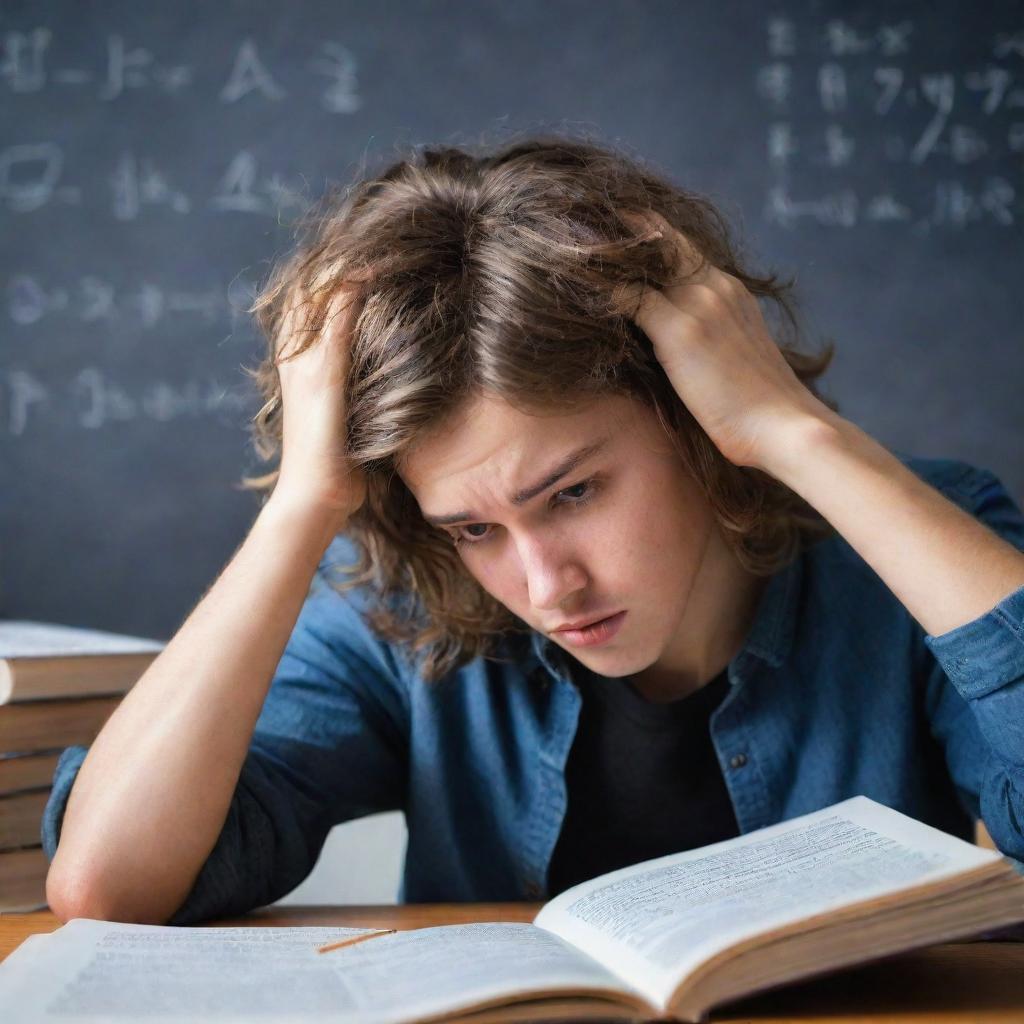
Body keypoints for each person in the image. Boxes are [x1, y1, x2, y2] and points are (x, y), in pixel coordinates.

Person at [42, 134, 1024, 926]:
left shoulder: (920, 545)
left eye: (573, 492)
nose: (547, 585)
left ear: (690, 412)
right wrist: (303, 506)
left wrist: (790, 430)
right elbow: (110, 888)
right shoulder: (403, 598)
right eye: (473, 526)